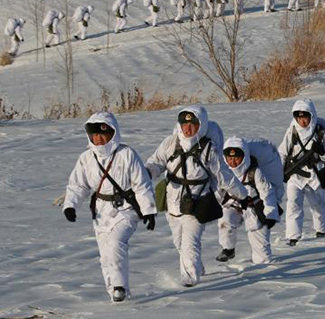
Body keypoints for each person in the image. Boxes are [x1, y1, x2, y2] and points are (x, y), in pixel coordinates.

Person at [145, 105, 248, 287]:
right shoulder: (170, 142)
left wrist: (242, 195)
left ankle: (190, 282)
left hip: (198, 201)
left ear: (202, 125)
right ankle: (197, 268)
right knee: (179, 243)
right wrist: (147, 173)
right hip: (173, 201)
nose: (188, 128)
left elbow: (223, 176)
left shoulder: (209, 149)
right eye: (184, 124)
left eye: (193, 124)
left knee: (189, 243)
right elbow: (156, 162)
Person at [63, 112, 157, 302]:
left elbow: (142, 184)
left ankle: (119, 285)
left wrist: (148, 211)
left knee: (116, 243)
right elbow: (78, 185)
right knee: (105, 253)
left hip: (126, 210)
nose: (99, 139)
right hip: (100, 211)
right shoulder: (86, 158)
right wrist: (71, 205)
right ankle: (115, 291)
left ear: (113, 133)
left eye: (103, 134)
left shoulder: (126, 154)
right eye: (95, 134)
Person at [278, 99, 325, 245]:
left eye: (305, 117)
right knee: (293, 204)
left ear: (311, 116)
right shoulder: (292, 130)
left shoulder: (323, 131)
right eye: (299, 118)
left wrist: (322, 151)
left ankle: (321, 230)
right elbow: (282, 152)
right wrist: (279, 171)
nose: (302, 121)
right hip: (295, 174)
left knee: (317, 204)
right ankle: (293, 236)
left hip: (315, 174)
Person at [217, 137, 279, 264]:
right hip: (233, 205)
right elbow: (218, 192)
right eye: (229, 158)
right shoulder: (223, 173)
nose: (233, 161)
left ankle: (264, 267)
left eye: (236, 158)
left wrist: (271, 214)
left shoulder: (254, 172)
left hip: (254, 208)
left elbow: (267, 192)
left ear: (244, 157)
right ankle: (228, 249)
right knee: (225, 221)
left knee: (259, 242)